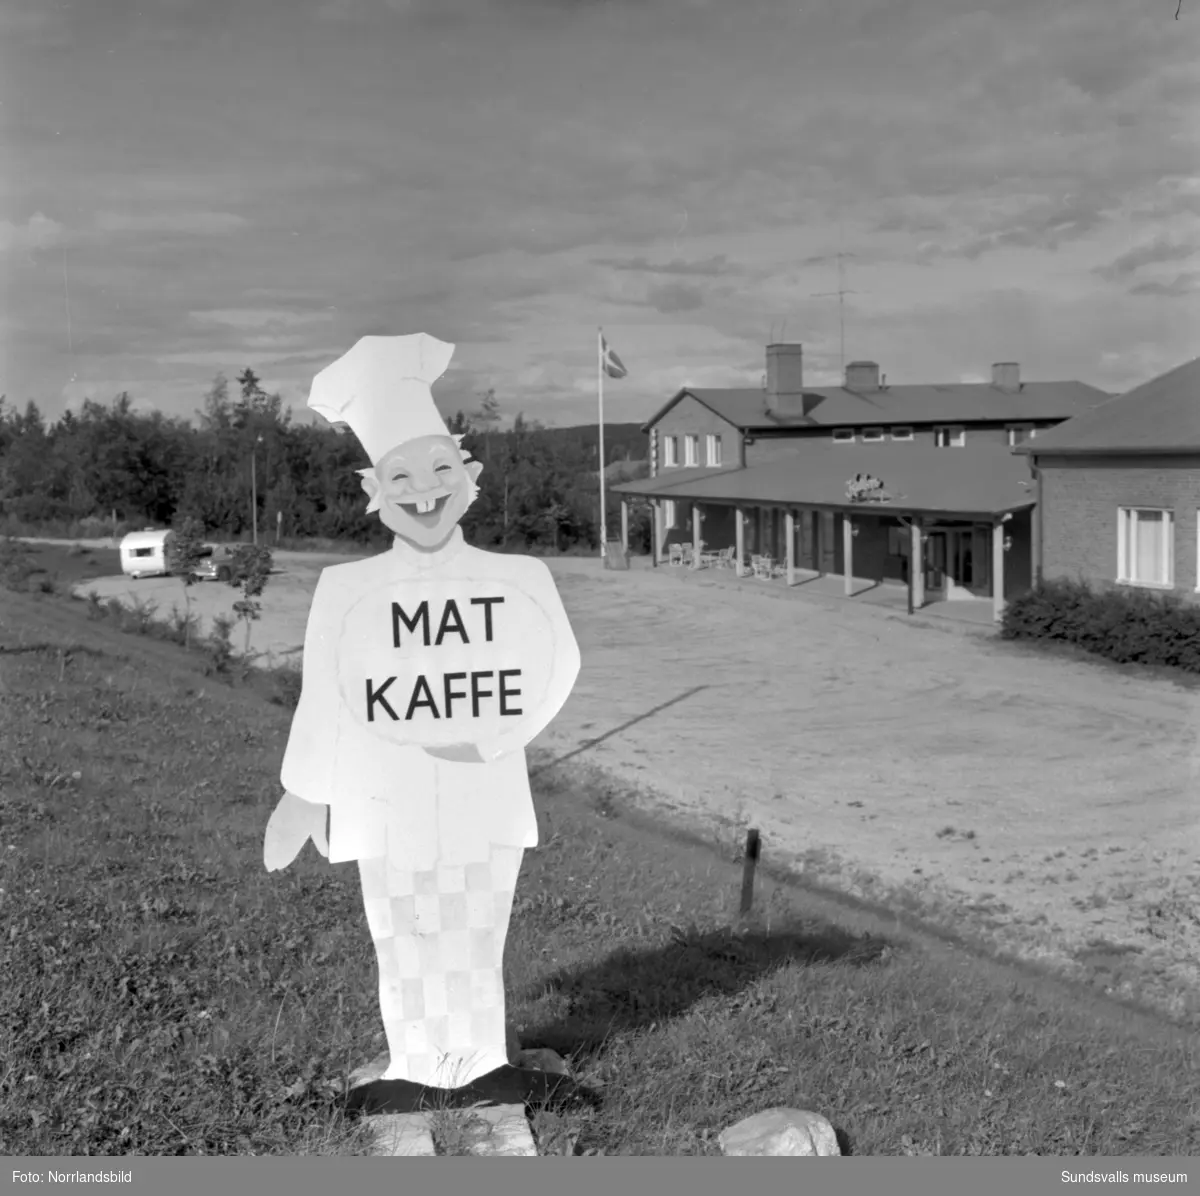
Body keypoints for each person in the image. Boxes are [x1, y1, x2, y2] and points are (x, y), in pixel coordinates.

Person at [263, 333, 581, 1101]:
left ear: (469, 477)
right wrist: (305, 790)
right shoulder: (346, 588)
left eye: (440, 469)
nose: (424, 491)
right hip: (385, 794)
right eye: (401, 475)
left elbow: (552, 667)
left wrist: (488, 738)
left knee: (478, 927)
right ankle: (412, 1068)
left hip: (484, 787)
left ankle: (478, 1067)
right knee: (401, 929)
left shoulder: (518, 577)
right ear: (373, 490)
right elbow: (328, 693)